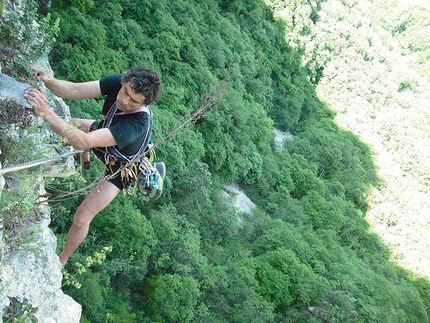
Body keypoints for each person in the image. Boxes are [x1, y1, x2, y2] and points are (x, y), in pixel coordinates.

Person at [24, 64, 164, 265]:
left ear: (144, 104)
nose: (124, 100)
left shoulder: (136, 124)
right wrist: (47, 79)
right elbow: (73, 90)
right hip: (105, 133)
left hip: (121, 167)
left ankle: (61, 261)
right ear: (124, 82)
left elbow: (84, 141)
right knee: (65, 122)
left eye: (134, 101)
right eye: (125, 91)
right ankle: (80, 156)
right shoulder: (118, 82)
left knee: (82, 218)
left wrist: (45, 112)